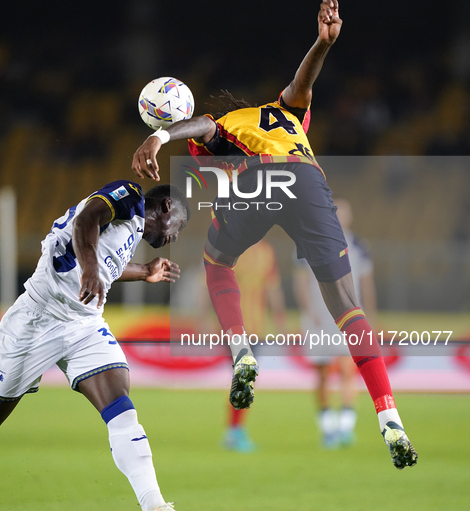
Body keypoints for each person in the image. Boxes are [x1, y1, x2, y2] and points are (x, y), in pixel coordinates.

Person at [132, 0, 417, 470]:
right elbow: (303, 83)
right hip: (307, 180)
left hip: (259, 180)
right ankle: (389, 416)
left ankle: (240, 347)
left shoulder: (231, 125)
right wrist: (323, 43)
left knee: (217, 262)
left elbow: (204, 124)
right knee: (348, 306)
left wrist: (162, 137)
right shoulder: (289, 116)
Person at [0, 180, 190, 511]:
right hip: (36, 320)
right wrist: (90, 269)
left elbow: (106, 264)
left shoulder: (132, 230)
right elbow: (85, 220)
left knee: (121, 409)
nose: (175, 237)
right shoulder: (130, 197)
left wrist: (144, 271)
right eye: (179, 226)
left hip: (84, 324)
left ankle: (154, 505)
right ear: (167, 207)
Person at [293, 198, 376, 448]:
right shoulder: (307, 242)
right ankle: (328, 428)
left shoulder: (359, 246)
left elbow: (366, 284)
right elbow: (300, 282)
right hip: (318, 320)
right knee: (321, 375)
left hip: (349, 318)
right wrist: (309, 310)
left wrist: (369, 315)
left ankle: (346, 428)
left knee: (349, 370)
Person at [221, 239, 287, 452]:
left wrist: (279, 320)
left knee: (243, 377)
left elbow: (272, 288)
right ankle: (234, 431)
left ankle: (235, 430)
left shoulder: (266, 251)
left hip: (255, 327)